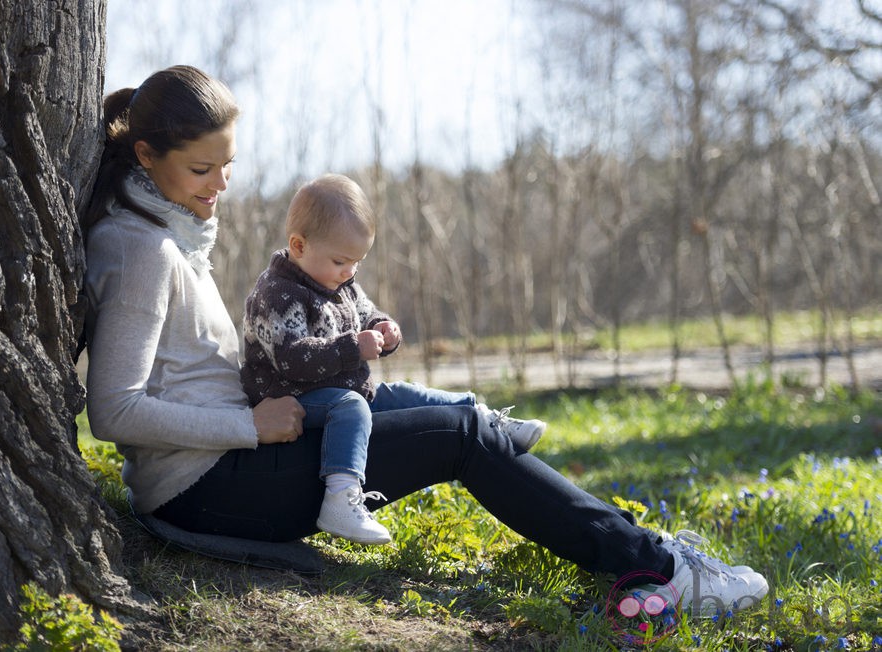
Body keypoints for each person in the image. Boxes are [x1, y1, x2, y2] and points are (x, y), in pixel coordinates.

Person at [81, 65, 769, 619]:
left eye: (226, 164)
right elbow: (113, 411)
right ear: (147, 155)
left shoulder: (169, 235)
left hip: (235, 457)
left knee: (431, 412)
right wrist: (250, 425)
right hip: (204, 486)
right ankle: (661, 569)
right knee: (461, 435)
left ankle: (647, 551)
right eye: (202, 171)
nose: (221, 185)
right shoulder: (143, 252)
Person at [241, 173, 546, 546]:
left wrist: (383, 327)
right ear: (299, 245)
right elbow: (291, 358)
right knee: (350, 407)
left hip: (342, 386)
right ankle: (340, 498)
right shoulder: (278, 293)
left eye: (357, 262)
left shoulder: (340, 280)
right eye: (341, 260)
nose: (350, 271)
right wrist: (353, 347)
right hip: (291, 396)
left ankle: (485, 420)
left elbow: (366, 312)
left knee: (407, 394)